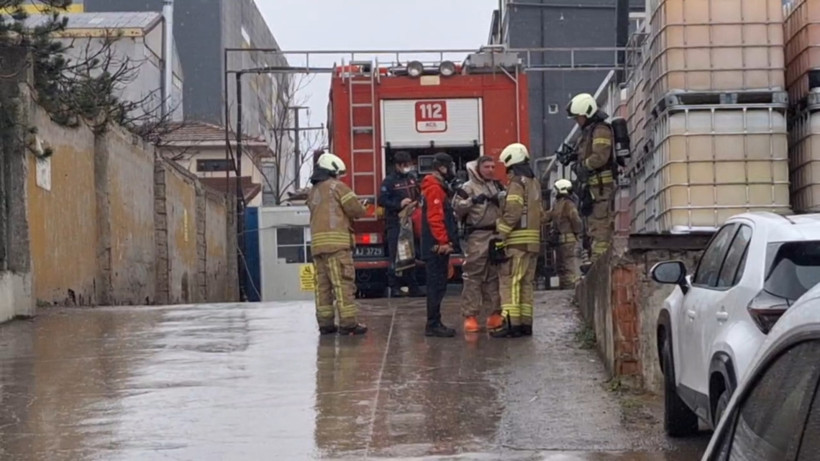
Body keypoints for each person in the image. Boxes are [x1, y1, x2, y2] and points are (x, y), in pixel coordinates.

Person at [307, 152, 368, 336]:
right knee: (343, 284)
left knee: (323, 287)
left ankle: (325, 324)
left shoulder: (313, 191)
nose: (339, 177)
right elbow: (356, 210)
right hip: (337, 247)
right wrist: (363, 206)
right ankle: (348, 324)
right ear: (332, 171)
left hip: (318, 247)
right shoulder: (338, 187)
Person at [492, 143, 542, 338]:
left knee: (510, 283)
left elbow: (513, 212)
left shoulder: (516, 183)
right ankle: (525, 324)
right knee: (526, 284)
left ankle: (511, 324)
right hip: (532, 243)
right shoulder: (534, 182)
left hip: (517, 243)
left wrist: (500, 236)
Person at [453, 156, 505, 333]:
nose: (491, 170)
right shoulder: (467, 188)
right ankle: (471, 315)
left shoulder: (497, 186)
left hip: (495, 235)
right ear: (478, 168)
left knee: (493, 276)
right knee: (473, 276)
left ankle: (494, 314)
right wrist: (473, 201)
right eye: (487, 167)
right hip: (477, 235)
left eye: (493, 166)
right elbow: (456, 208)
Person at [566, 92, 614, 264]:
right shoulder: (589, 131)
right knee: (592, 228)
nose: (577, 121)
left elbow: (600, 157)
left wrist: (582, 166)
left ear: (586, 113)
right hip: (593, 189)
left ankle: (600, 264)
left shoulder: (600, 130)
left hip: (601, 189)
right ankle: (595, 263)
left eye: (578, 117)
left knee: (600, 229)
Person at [419, 152, 459, 338]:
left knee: (437, 285)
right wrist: (443, 242)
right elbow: (435, 218)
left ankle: (434, 322)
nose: (452, 171)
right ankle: (433, 324)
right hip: (436, 247)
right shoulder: (435, 188)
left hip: (434, 245)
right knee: (436, 285)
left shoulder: (435, 187)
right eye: (451, 166)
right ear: (442, 168)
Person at [378, 151, 425, 298]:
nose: (407, 168)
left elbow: (418, 194)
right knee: (395, 255)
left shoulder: (411, 179)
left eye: (409, 165)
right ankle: (395, 287)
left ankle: (413, 286)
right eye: (404, 165)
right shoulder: (389, 181)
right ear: (397, 165)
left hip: (411, 222)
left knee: (410, 254)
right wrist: (399, 204)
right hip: (395, 223)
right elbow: (382, 200)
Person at [544, 179, 583, 289]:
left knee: (569, 268)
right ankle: (566, 289)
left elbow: (576, 220)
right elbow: (548, 216)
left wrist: (577, 233)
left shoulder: (569, 204)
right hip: (560, 243)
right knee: (561, 268)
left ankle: (571, 291)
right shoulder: (558, 204)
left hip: (569, 242)